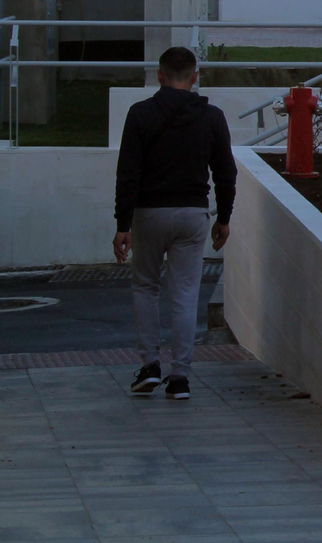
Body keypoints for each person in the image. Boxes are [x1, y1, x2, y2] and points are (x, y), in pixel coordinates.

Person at [113, 46, 237, 400]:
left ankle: (150, 366)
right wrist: (224, 217)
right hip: (193, 213)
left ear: (160, 75)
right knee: (184, 294)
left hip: (149, 213)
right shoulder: (212, 117)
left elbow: (128, 174)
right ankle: (180, 377)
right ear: (195, 77)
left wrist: (123, 224)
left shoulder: (140, 115)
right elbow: (226, 173)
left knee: (145, 287)